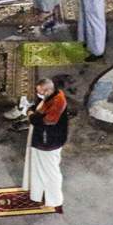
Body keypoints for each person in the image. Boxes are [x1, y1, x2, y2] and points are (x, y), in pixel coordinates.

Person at [22, 78, 68, 208]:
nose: (38, 94)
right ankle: (40, 194)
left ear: (47, 90)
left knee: (50, 171)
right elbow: (39, 105)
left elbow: (47, 121)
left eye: (40, 92)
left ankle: (54, 201)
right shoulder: (52, 95)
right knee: (40, 168)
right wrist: (31, 109)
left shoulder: (58, 101)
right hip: (43, 138)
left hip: (48, 141)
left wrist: (30, 115)